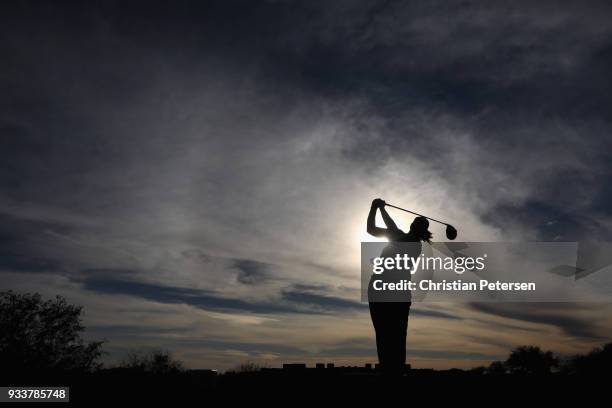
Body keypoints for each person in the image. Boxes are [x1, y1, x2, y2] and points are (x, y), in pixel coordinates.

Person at [366, 198, 432, 375]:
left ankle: (394, 372)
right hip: (379, 288)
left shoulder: (412, 244)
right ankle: (389, 370)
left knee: (396, 336)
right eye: (416, 221)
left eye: (420, 223)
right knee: (383, 334)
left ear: (421, 230)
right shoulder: (399, 236)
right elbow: (370, 229)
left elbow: (393, 229)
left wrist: (380, 209)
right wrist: (374, 209)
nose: (415, 223)